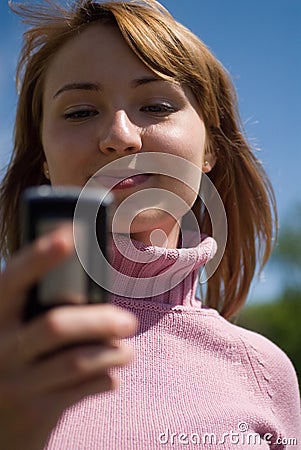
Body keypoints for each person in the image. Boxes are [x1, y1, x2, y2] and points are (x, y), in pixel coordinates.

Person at [0, 0, 300, 449]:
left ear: (210, 150)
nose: (120, 135)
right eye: (80, 112)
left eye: (156, 105)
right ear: (42, 157)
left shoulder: (266, 373)